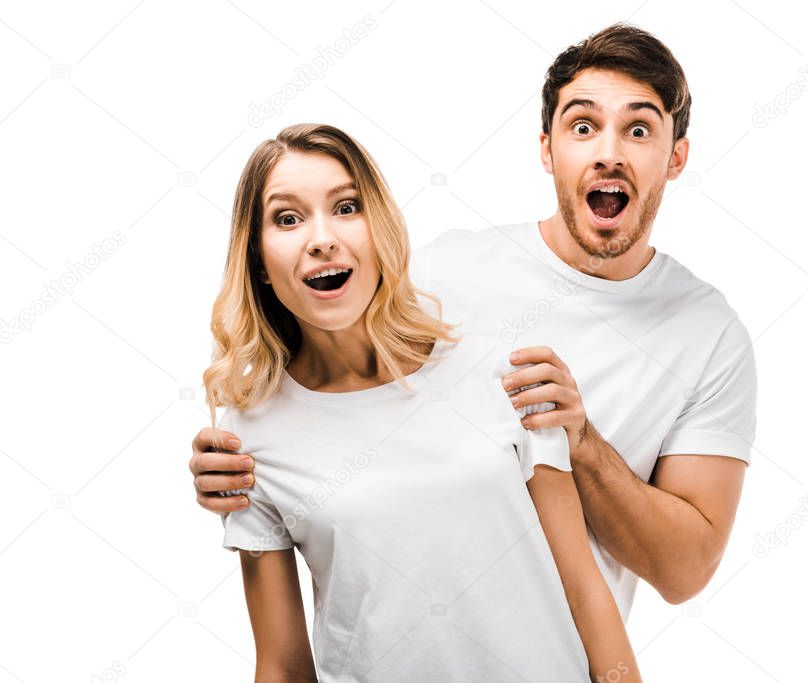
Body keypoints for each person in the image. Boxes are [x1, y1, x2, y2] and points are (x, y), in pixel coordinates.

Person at [193, 22, 756, 625]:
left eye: (638, 129)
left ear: (676, 157)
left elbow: (685, 571)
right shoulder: (442, 272)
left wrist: (582, 444)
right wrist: (242, 456)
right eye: (583, 126)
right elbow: (326, 373)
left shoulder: (709, 335)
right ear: (547, 148)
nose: (608, 152)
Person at [203, 122, 640, 681]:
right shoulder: (252, 437)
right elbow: (284, 667)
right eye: (287, 219)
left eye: (346, 207)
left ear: (379, 226)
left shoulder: (501, 369)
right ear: (259, 259)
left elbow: (585, 593)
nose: (321, 238)